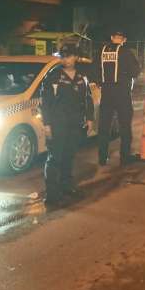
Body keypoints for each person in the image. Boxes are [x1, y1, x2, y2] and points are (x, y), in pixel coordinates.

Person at [40, 45, 94, 206]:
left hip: (75, 123)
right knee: (54, 157)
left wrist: (89, 118)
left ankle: (67, 187)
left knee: (69, 156)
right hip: (57, 123)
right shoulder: (53, 76)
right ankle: (52, 195)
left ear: (76, 57)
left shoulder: (82, 76)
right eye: (63, 56)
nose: (66, 59)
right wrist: (47, 124)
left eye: (69, 56)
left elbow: (88, 98)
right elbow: (45, 102)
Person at [96, 30, 141, 166]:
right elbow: (135, 72)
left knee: (104, 126)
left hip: (106, 93)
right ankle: (124, 157)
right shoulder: (126, 52)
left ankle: (102, 158)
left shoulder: (101, 52)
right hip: (122, 93)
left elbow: (94, 70)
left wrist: (101, 82)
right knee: (125, 125)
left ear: (111, 37)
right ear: (124, 40)